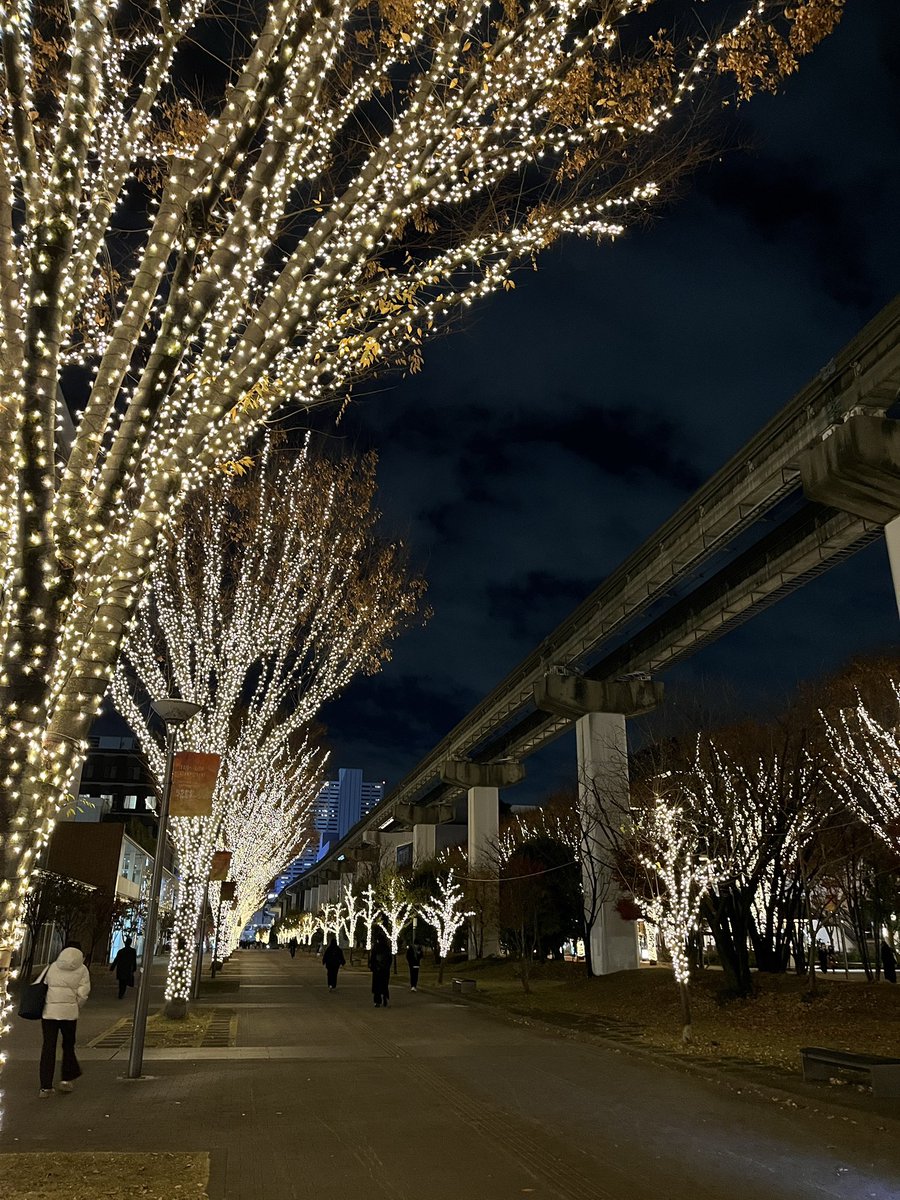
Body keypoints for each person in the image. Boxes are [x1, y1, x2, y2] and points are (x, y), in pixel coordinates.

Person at [39, 941, 91, 1098]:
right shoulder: (82, 969)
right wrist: (75, 1006)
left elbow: (44, 985)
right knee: (68, 1046)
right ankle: (66, 1079)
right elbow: (83, 993)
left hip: (49, 1013)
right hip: (69, 1015)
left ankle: (45, 1087)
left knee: (48, 1047)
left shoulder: (52, 966)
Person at [369, 927, 392, 1008]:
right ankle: (385, 997)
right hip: (385, 970)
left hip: (377, 969)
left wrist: (372, 966)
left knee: (377, 986)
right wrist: (387, 966)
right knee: (384, 984)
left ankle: (377, 1001)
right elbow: (389, 959)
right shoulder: (386, 948)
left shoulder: (376, 947)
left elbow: (372, 958)